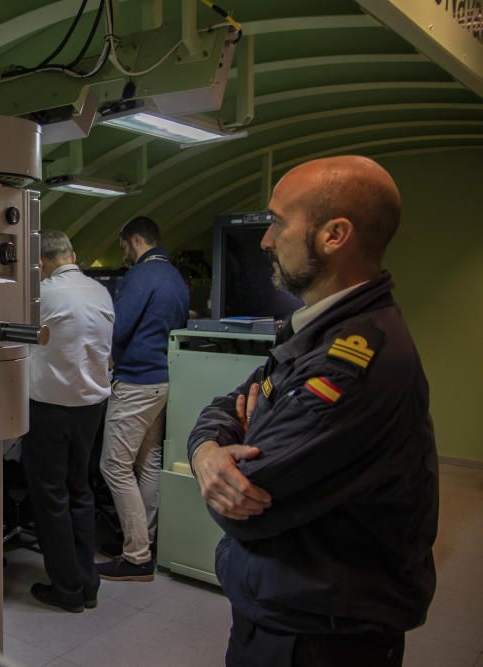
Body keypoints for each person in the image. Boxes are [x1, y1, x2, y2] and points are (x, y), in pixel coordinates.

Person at [187, 156, 438, 666]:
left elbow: (249, 505)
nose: (265, 240)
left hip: (319, 636)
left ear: (334, 235)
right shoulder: (319, 331)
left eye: (278, 222)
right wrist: (208, 450)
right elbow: (223, 406)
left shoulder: (354, 360)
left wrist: (238, 439)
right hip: (287, 608)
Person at [22, 231, 114, 612]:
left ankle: (67, 588)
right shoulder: (101, 291)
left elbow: (13, 340)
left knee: (51, 498)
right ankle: (87, 584)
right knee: (81, 491)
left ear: (41, 263)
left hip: (50, 410)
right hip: (91, 407)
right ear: (73, 254)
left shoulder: (43, 296)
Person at [97, 217, 189, 581]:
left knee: (114, 466)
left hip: (135, 381)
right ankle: (144, 542)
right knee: (148, 465)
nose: (124, 255)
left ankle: (136, 555)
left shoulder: (141, 276)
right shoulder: (175, 277)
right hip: (163, 380)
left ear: (136, 240)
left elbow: (117, 328)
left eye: (123, 247)